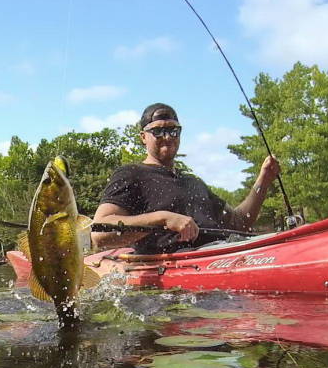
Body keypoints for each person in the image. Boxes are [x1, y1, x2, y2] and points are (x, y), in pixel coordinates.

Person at [91, 102, 280, 254]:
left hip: (221, 256)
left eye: (173, 130)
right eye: (157, 131)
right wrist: (162, 219)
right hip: (174, 276)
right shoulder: (131, 174)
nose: (167, 136)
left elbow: (239, 222)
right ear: (143, 137)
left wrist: (263, 181)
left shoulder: (193, 182)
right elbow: (99, 231)